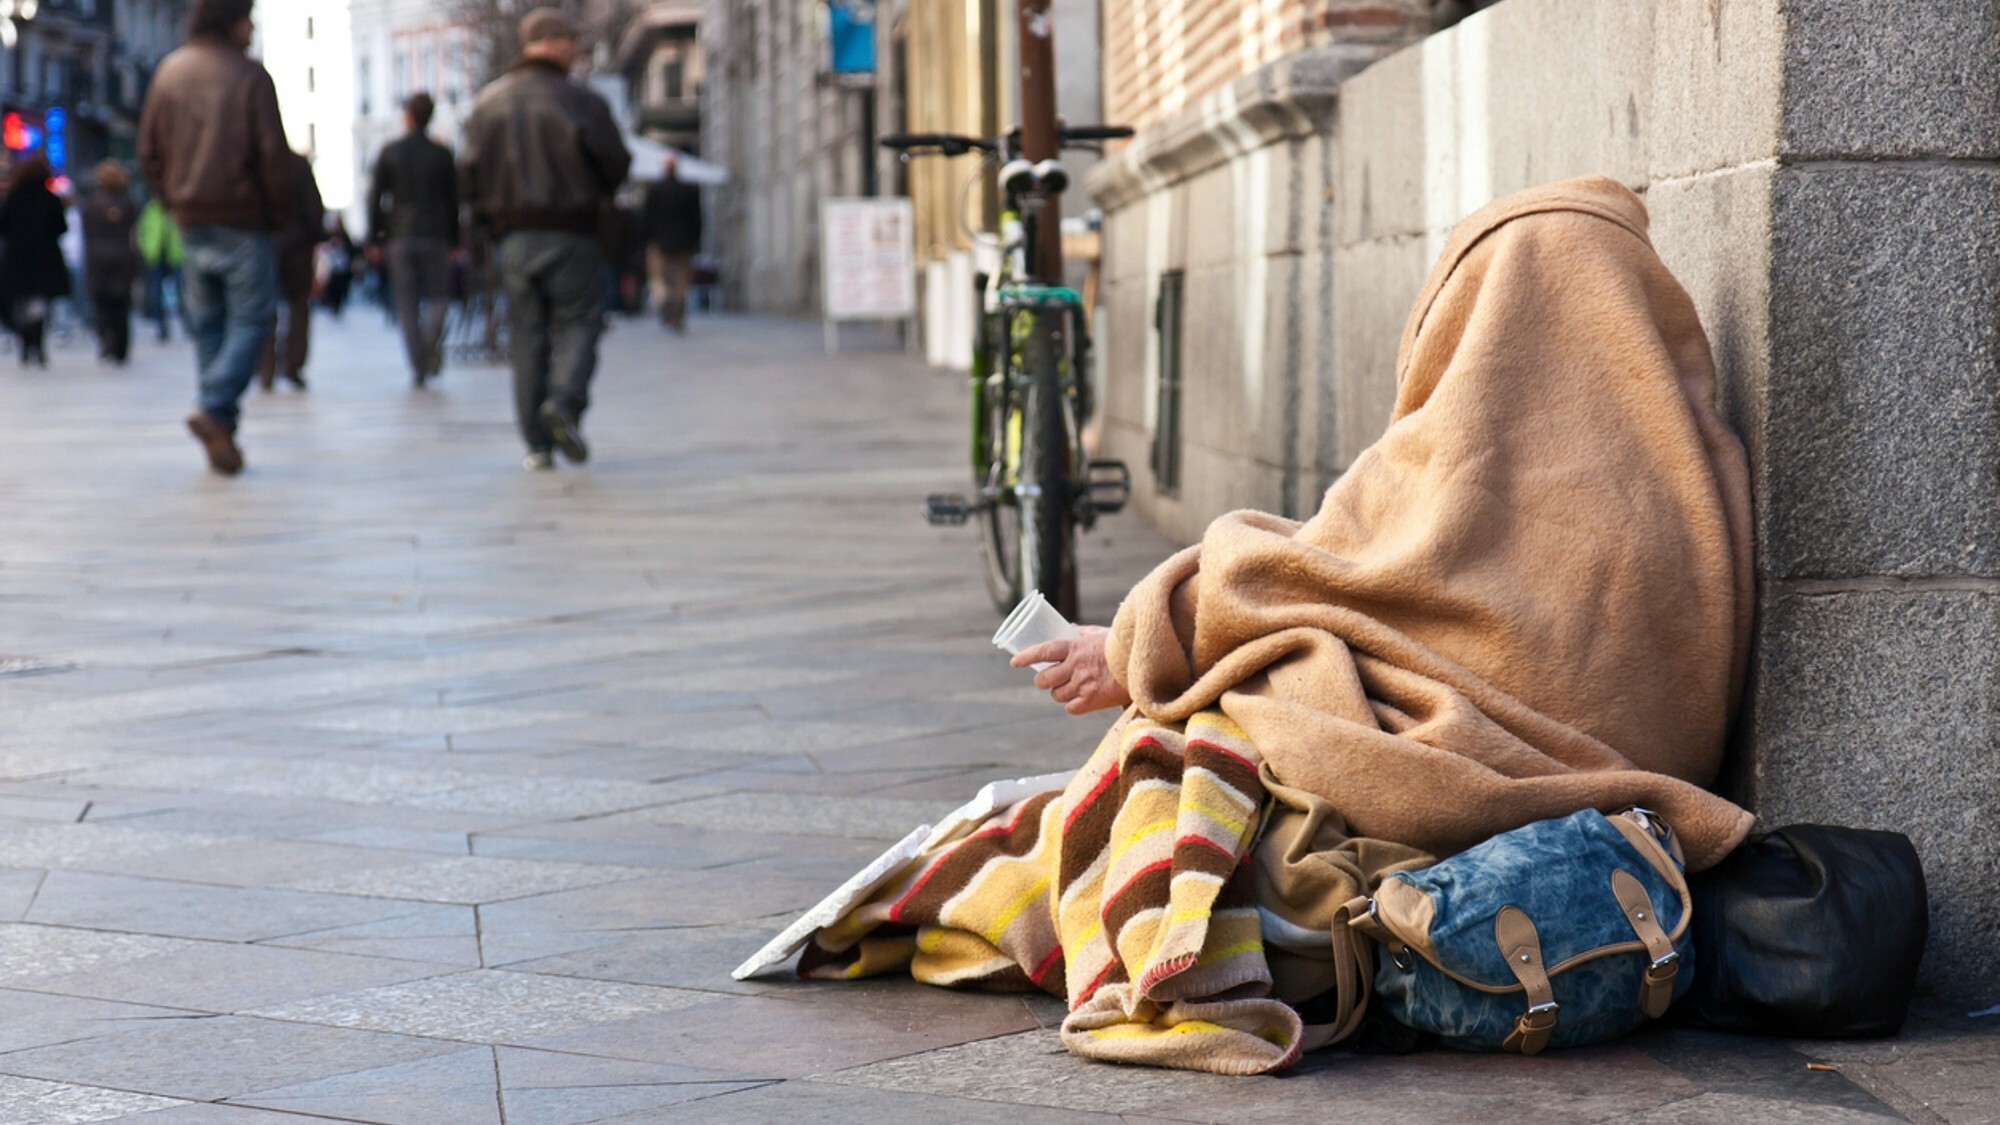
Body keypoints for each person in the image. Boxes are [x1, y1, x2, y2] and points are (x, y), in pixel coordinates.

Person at [769, 177, 1760, 1074]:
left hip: (1447, 781)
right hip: (1606, 798)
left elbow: (1301, 577)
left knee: (1175, 752)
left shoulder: (1452, 450)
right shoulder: (1695, 481)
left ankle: (1134, 929)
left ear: (1478, 314)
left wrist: (1131, 645)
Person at [459, 7, 631, 471]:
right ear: (552, 42)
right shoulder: (581, 101)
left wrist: (486, 225)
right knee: (579, 321)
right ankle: (564, 400)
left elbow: (468, 175)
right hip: (571, 229)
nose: (578, 52)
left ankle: (536, 444)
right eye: (573, 42)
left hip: (512, 235)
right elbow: (617, 164)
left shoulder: (487, 103)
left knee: (527, 334)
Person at [138, 0, 294, 476]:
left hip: (190, 217)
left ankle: (220, 426)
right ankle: (214, 404)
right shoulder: (250, 76)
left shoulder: (169, 73)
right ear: (232, 20)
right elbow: (273, 155)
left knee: (207, 324)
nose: (252, 27)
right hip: (243, 218)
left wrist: (172, 200)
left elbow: (149, 152)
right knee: (250, 319)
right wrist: (280, 212)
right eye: (249, 18)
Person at [368, 91, 459, 386]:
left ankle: (419, 363)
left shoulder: (390, 151)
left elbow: (376, 197)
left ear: (407, 116)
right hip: (434, 233)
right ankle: (429, 348)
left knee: (406, 303)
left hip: (400, 235)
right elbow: (452, 201)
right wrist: (455, 239)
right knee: (438, 298)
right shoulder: (441, 154)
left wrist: (375, 237)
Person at [257, 148, 324, 391]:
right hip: (296, 243)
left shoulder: (257, 162)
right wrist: (310, 237)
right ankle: (293, 365)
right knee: (298, 305)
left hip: (265, 243)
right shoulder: (298, 164)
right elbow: (315, 206)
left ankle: (267, 366)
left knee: (265, 306)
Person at [0, 157, 71, 368]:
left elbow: (2, 226)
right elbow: (62, 227)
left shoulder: (14, 198)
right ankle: (37, 346)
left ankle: (25, 346)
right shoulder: (50, 198)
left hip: (18, 260)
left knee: (21, 304)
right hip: (44, 260)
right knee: (39, 305)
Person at [82, 160, 142, 366]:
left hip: (99, 259)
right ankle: (120, 348)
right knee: (121, 306)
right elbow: (134, 234)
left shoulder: (93, 204)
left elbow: (88, 235)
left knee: (102, 305)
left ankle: (107, 341)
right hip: (123, 258)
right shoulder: (129, 203)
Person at [642, 152, 702, 332]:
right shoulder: (689, 190)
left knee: (658, 279)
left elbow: (647, 218)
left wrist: (648, 239)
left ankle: (666, 302)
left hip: (659, 243)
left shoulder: (654, 190)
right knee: (682, 282)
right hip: (684, 243)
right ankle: (676, 312)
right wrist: (694, 240)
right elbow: (697, 219)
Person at [137, 198, 183, 342]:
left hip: (175, 254)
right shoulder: (151, 208)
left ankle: (189, 324)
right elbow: (142, 231)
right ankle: (161, 326)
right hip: (156, 255)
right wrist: (146, 250)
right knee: (155, 292)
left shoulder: (177, 206)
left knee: (183, 291)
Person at [319, 215, 357, 319]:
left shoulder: (345, 237)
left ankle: (337, 307)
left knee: (339, 289)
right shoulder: (328, 236)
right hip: (331, 267)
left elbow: (351, 251)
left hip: (341, 269)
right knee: (332, 289)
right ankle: (332, 306)